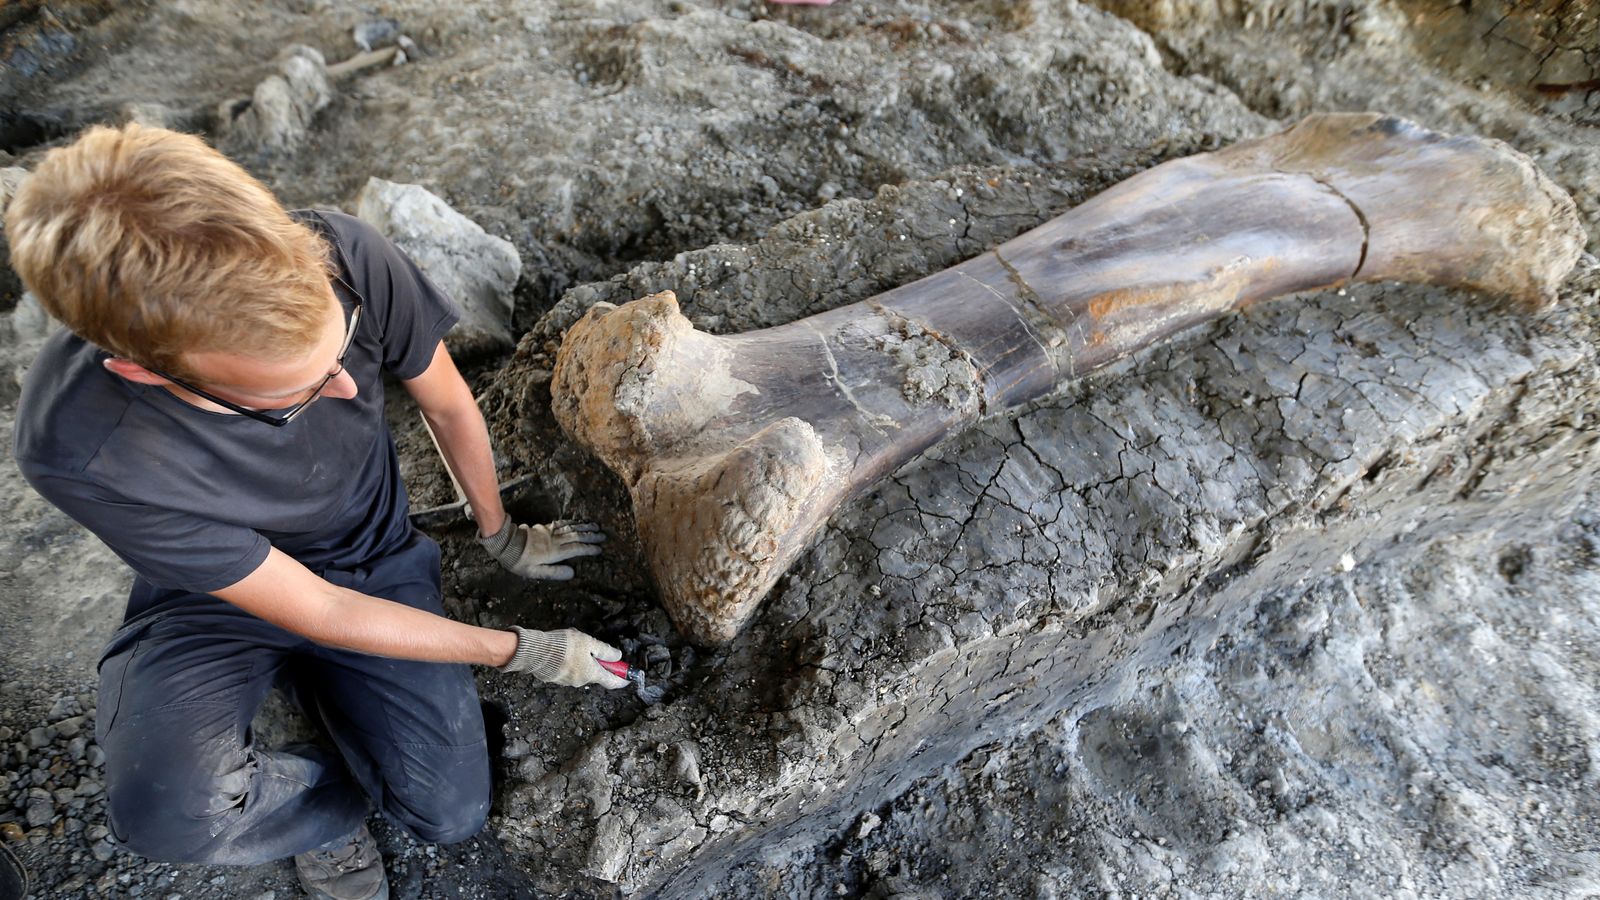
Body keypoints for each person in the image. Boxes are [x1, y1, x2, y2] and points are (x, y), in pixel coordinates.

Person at [5, 123, 628, 900]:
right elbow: (320, 607)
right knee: (171, 812)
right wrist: (517, 649)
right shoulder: (82, 447)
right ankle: (325, 813)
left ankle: (317, 699)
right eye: (290, 396)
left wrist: (500, 533)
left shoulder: (344, 256)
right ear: (147, 373)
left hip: (368, 554)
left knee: (448, 813)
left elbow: (445, 403)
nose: (345, 392)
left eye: (340, 352)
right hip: (216, 592)